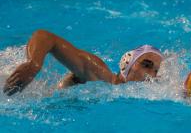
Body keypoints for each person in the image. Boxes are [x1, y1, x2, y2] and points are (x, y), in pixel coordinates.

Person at [3, 30, 163, 96]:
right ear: (126, 63)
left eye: (156, 71)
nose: (151, 75)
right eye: (146, 65)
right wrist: (34, 64)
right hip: (16, 93)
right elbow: (45, 37)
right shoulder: (100, 75)